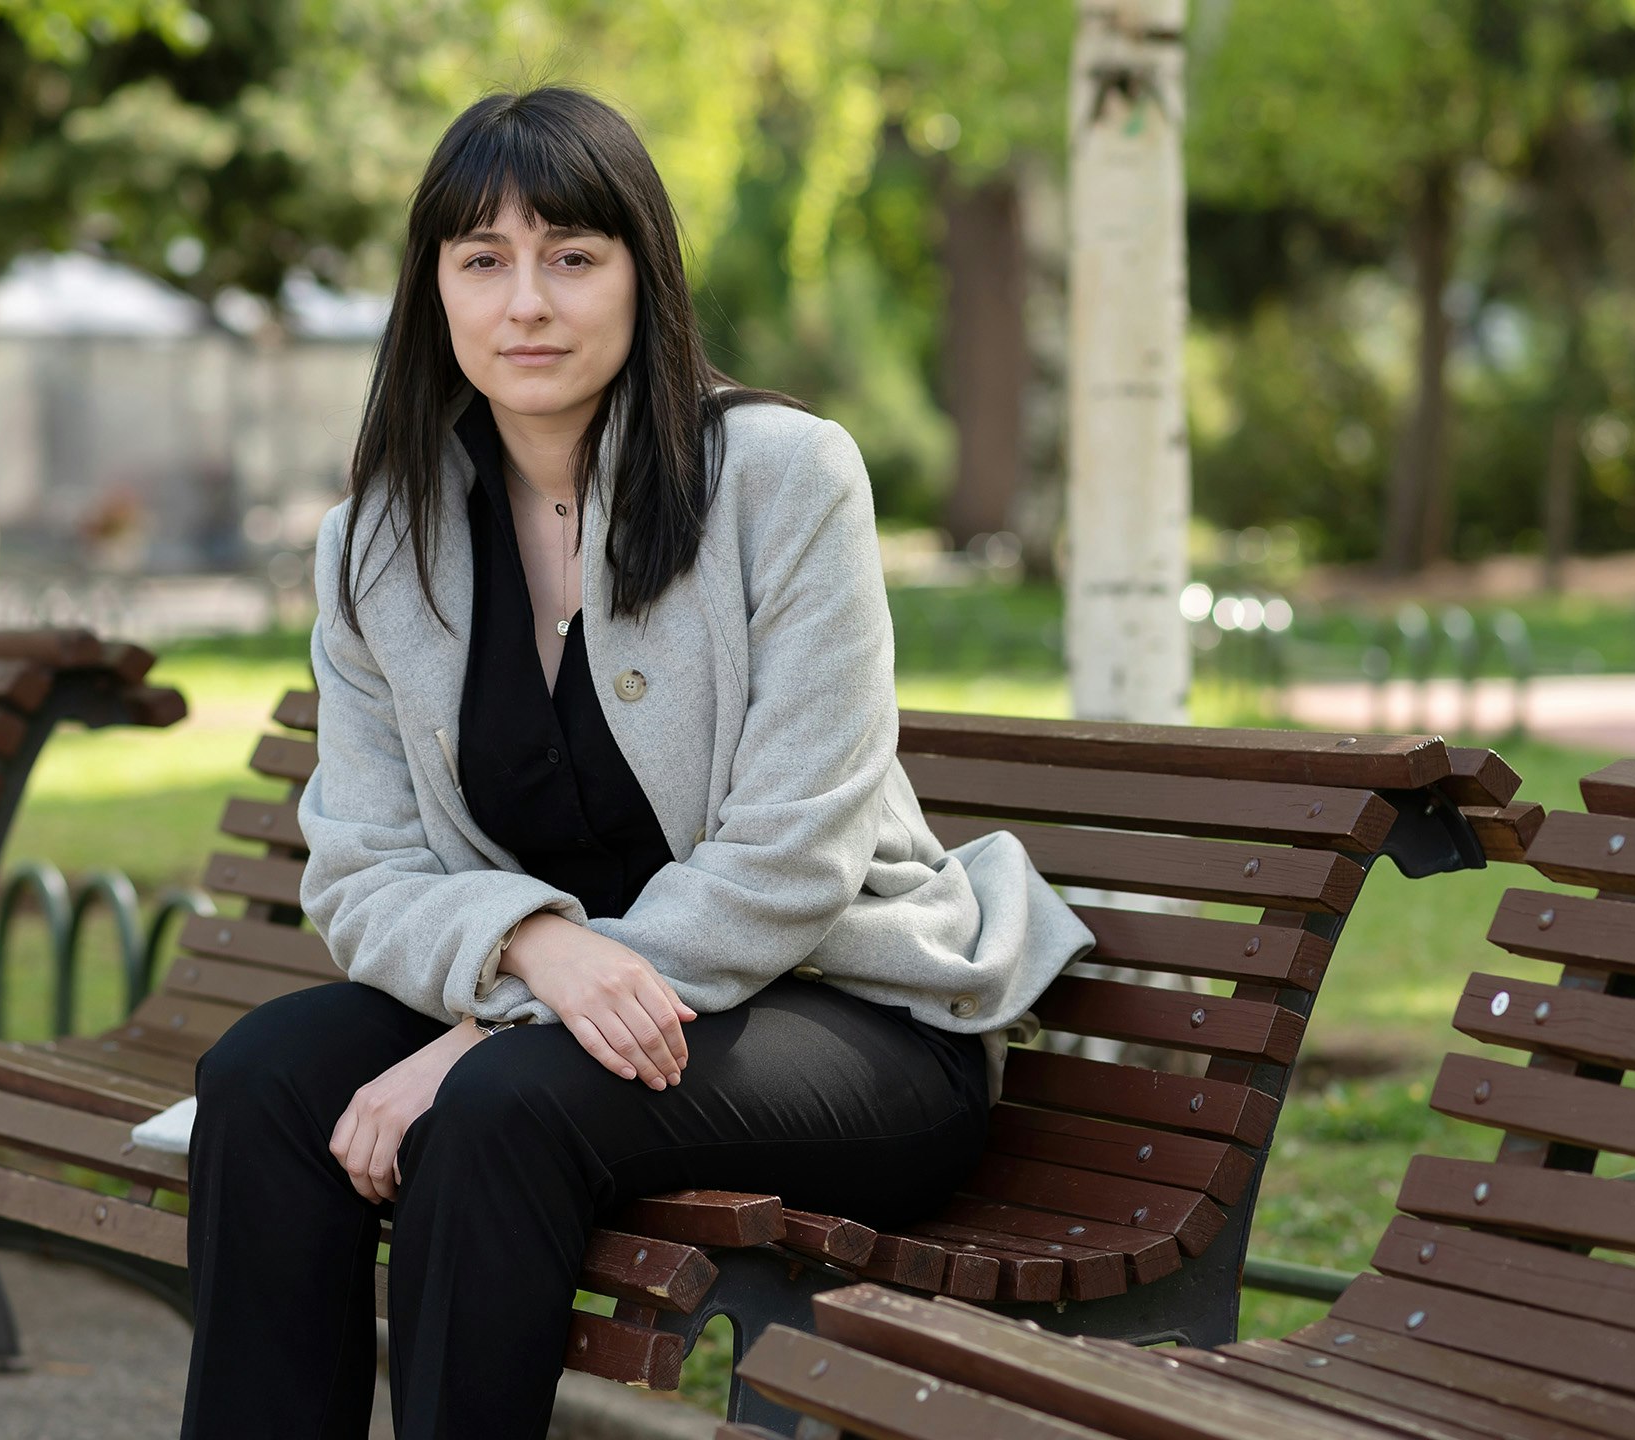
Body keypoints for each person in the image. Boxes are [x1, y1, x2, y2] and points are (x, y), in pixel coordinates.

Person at [179, 85, 1091, 1439]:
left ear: (640, 273)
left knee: (496, 1106)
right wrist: (538, 957)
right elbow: (361, 866)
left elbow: (794, 857)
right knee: (260, 1081)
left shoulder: (784, 480)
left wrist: (487, 1029)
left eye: (571, 256)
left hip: (848, 1018)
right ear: (434, 291)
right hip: (560, 1014)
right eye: (481, 261)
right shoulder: (379, 538)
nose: (526, 303)